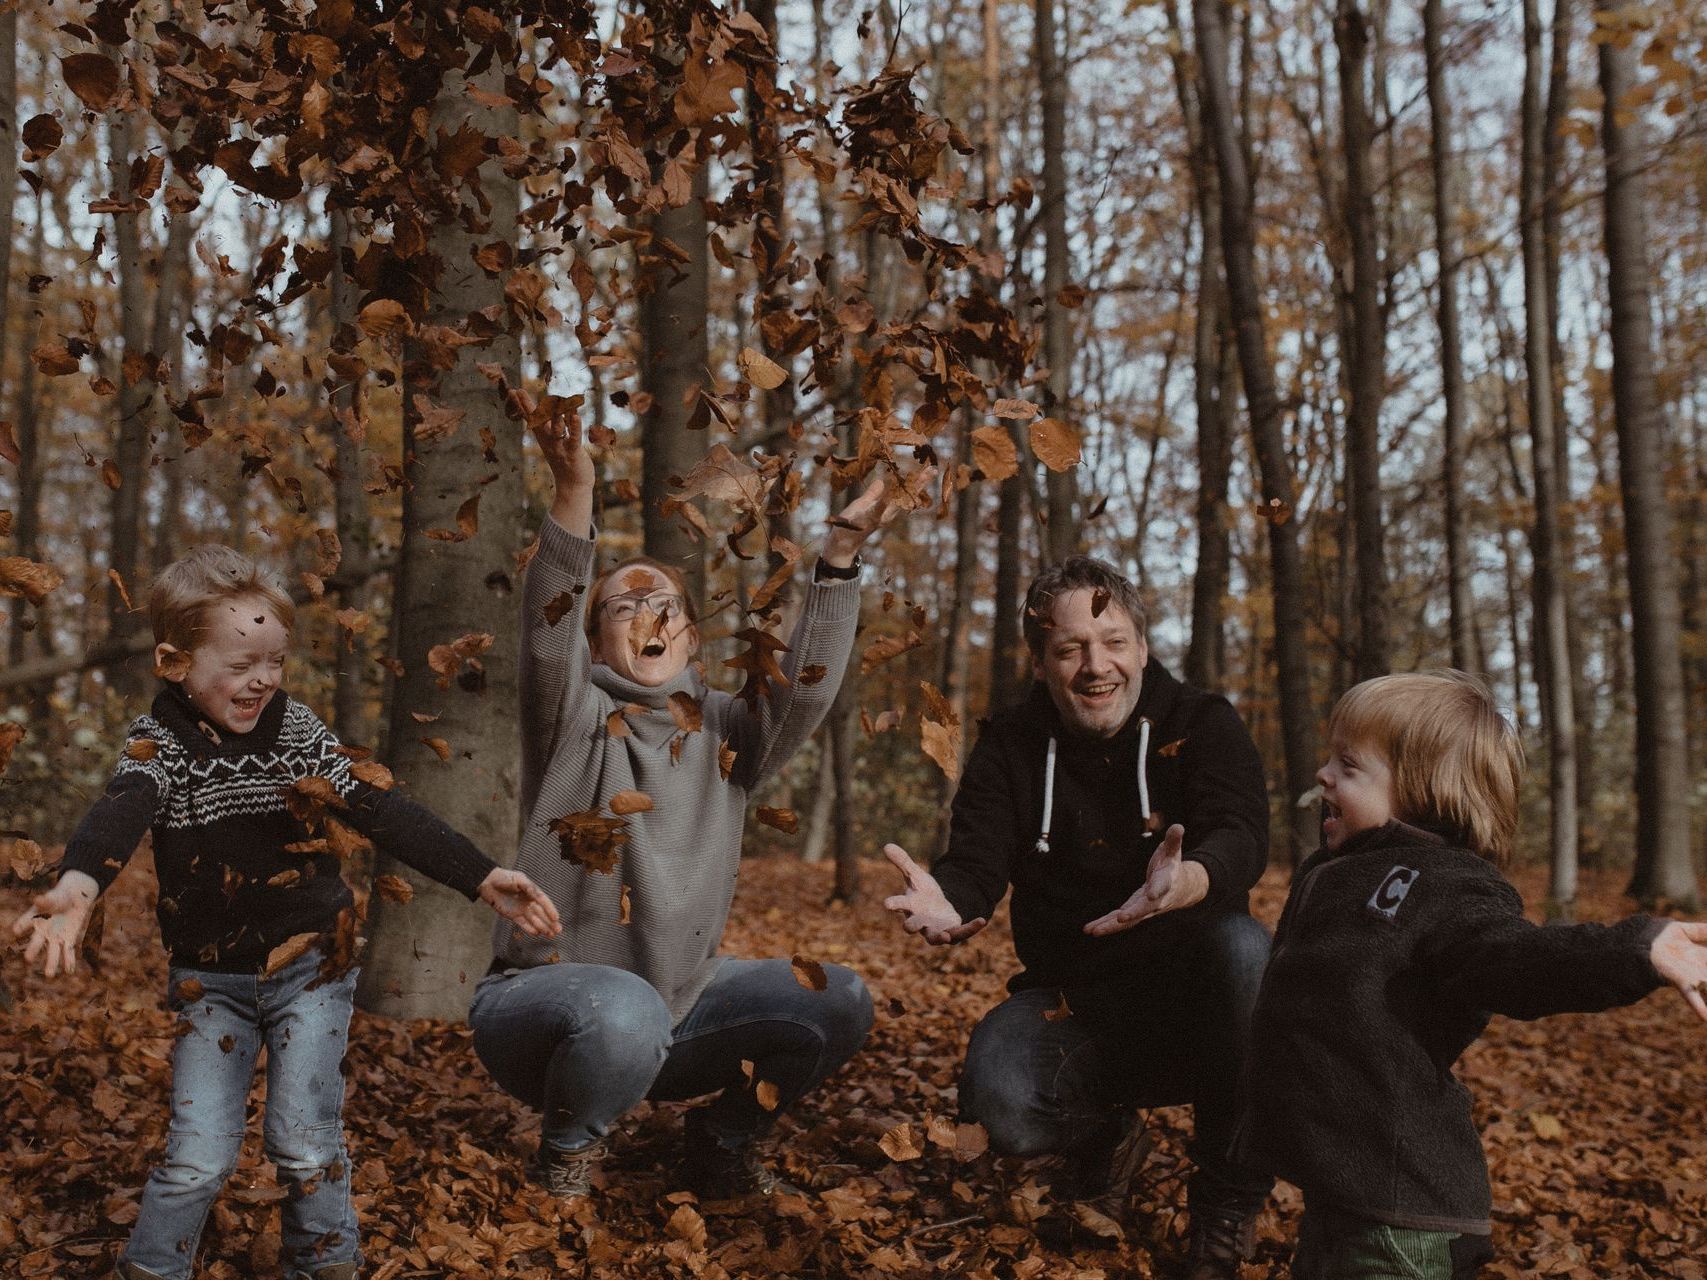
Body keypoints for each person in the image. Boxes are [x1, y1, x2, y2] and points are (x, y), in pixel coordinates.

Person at [10, 545, 560, 1280]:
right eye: (240, 666)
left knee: (303, 1142)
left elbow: (377, 807)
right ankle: (150, 1270)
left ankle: (326, 1264)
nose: (262, 679)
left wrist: (480, 875)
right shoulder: (160, 745)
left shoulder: (297, 732)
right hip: (212, 983)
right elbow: (120, 812)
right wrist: (77, 889)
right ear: (175, 664)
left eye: (274, 661)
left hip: (311, 966)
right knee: (197, 1158)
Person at [470, 411, 921, 1203]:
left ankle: (722, 1139)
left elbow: (805, 696)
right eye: (620, 606)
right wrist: (575, 490)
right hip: (542, 1009)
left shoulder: (728, 732)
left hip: (682, 1009)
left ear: (692, 640)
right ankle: (569, 1151)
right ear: (596, 642)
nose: (647, 613)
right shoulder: (573, 717)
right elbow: (545, 634)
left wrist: (841, 555)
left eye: (666, 605)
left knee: (838, 998)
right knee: (624, 1009)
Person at [1241, 671, 1707, 1280]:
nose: (1324, 775)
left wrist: (1634, 949)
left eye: (1349, 767)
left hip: (1403, 1216)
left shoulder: (1448, 885)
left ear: (1420, 792)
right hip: (1342, 1189)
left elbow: (1517, 959)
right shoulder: (1334, 871)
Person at [883, 555, 1274, 1279]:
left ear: (1142, 647)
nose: (1097, 667)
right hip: (1076, 1002)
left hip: (1198, 1004)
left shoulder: (1202, 723)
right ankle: (1107, 1142)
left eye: (1114, 642)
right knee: (999, 1099)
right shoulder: (1010, 742)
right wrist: (951, 897)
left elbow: (1242, 833)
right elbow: (976, 856)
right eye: (1069, 648)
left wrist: (1190, 877)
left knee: (1247, 950)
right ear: (1040, 662)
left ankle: (1225, 1198)